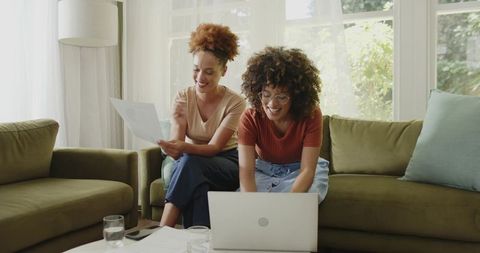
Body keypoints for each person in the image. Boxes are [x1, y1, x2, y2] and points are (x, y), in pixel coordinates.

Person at [157, 23, 246, 228]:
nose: (200, 78)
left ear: (223, 70)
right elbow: (178, 147)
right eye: (196, 70)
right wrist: (171, 147)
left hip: (227, 163)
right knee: (198, 183)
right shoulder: (182, 97)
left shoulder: (235, 102)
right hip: (191, 161)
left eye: (208, 72)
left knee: (191, 163)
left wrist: (183, 149)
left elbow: (214, 148)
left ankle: (163, 230)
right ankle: (199, 241)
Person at [238, 46, 329, 202]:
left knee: (307, 199)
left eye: (282, 96)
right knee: (242, 202)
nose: (272, 104)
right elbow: (246, 170)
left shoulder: (312, 114)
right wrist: (250, 205)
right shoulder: (250, 117)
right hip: (264, 169)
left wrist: (289, 204)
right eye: (266, 95)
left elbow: (307, 170)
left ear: (296, 96)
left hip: (300, 168)